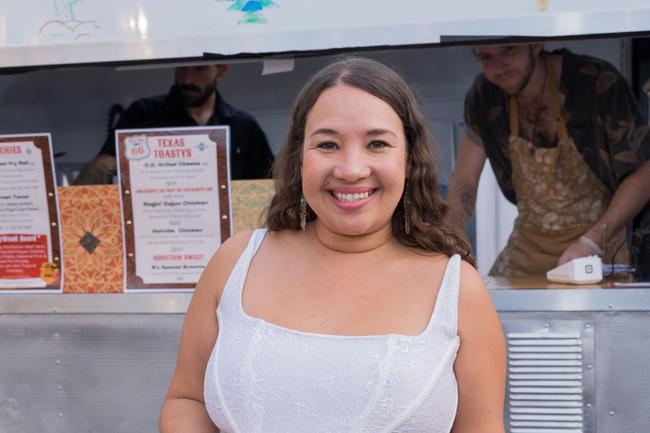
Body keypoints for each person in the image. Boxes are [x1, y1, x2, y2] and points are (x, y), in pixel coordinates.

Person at [160, 57, 506, 433]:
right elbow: (187, 399)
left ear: (408, 159)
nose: (351, 169)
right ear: (298, 159)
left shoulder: (458, 290)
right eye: (327, 144)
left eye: (377, 143)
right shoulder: (235, 261)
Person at [447, 43, 650, 277]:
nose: (499, 67)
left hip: (596, 248)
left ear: (534, 45)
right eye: (486, 57)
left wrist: (591, 242)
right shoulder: (484, 96)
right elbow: (464, 182)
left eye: (509, 50)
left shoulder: (597, 82)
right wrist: (446, 249)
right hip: (528, 247)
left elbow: (644, 174)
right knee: (496, 308)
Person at [74, 64, 275, 184]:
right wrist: (78, 201)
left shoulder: (243, 126)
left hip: (228, 237)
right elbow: (105, 165)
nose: (187, 79)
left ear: (221, 68)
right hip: (155, 232)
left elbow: (269, 184)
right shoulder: (143, 114)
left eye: (199, 69)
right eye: (182, 69)